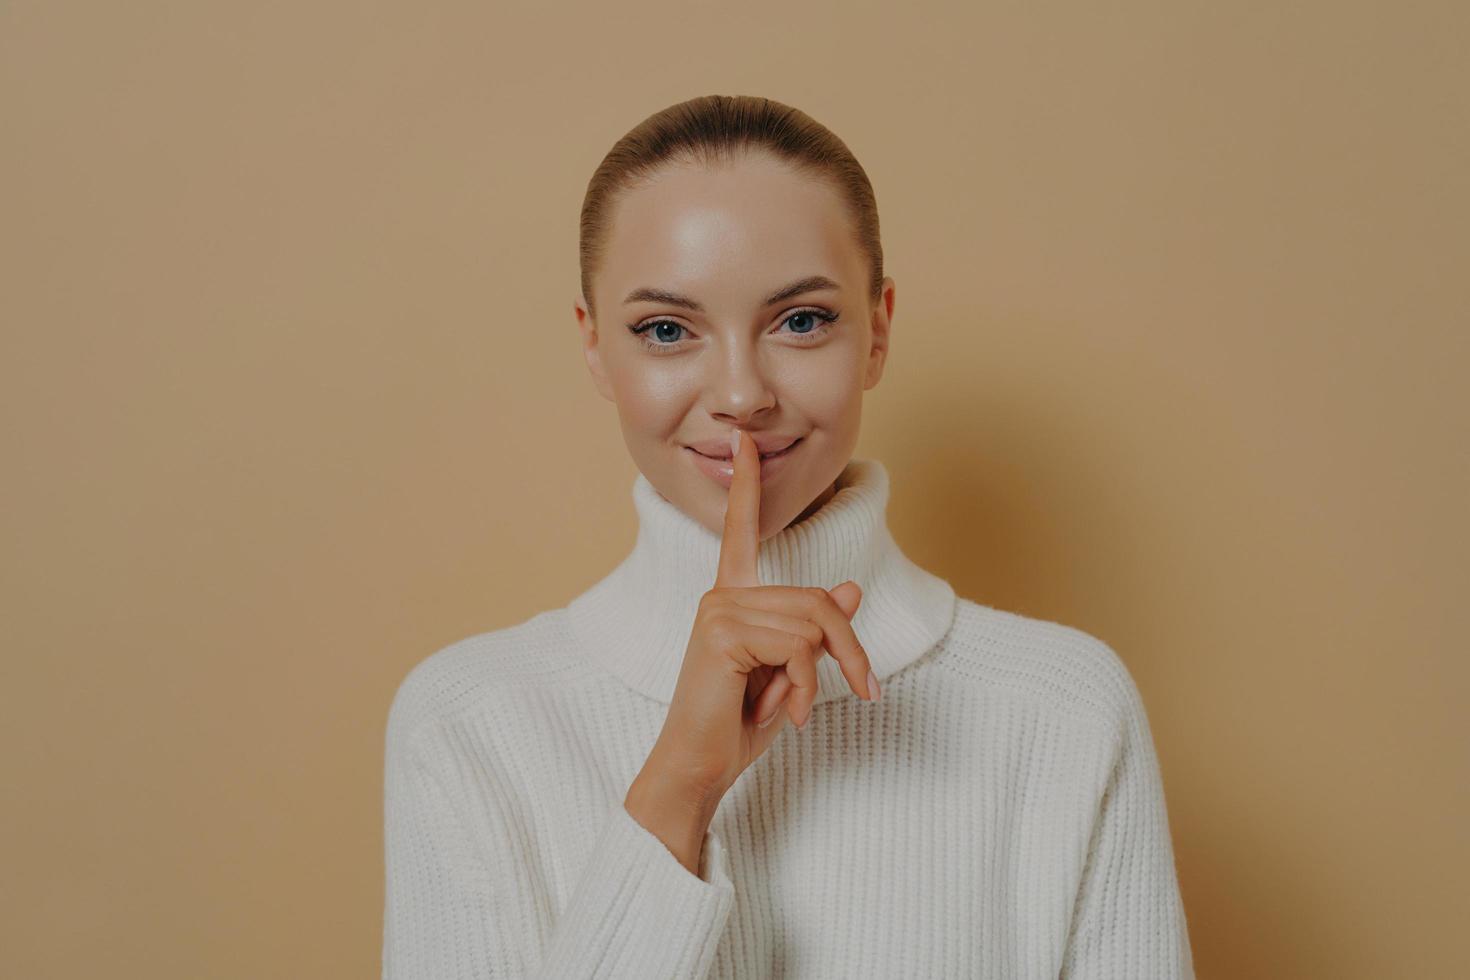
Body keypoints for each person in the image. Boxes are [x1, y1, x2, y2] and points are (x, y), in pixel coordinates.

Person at [382, 94, 1194, 979]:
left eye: (801, 321)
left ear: (878, 329)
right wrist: (677, 791)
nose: (741, 394)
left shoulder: (1066, 712)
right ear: (593, 348)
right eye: (666, 330)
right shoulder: (470, 724)